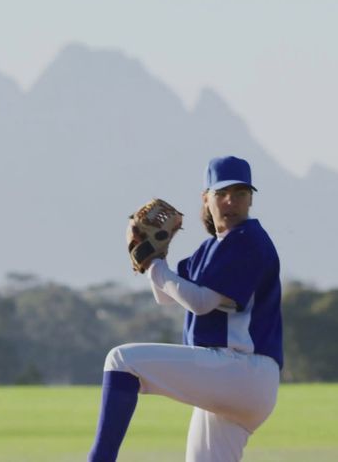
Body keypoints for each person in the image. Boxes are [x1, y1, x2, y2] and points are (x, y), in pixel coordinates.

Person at [88, 155, 283, 462]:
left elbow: (201, 303)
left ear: (250, 200)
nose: (231, 201)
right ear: (206, 199)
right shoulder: (211, 247)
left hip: (242, 369)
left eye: (240, 193)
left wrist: (152, 263)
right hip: (232, 380)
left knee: (122, 361)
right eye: (221, 194)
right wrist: (156, 256)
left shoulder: (249, 241)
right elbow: (167, 295)